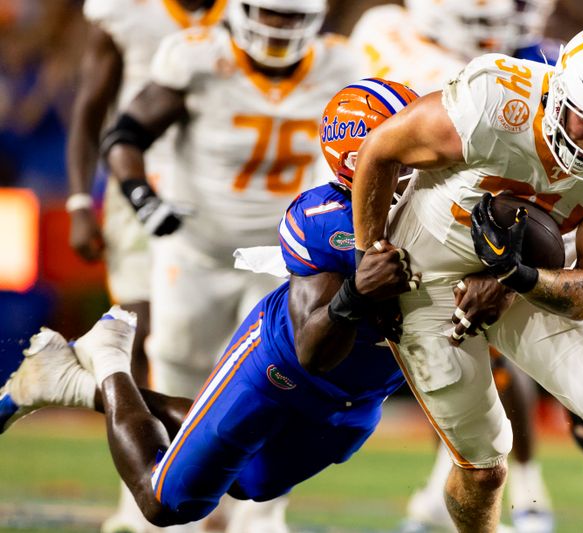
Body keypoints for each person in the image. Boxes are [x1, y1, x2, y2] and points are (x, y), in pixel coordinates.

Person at [0, 79, 423, 528]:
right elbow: (313, 354)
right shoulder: (323, 220)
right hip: (278, 371)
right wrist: (356, 293)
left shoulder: (443, 204)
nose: (426, 159)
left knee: (249, 483)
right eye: (406, 150)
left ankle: (70, 384)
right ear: (361, 163)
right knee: (167, 503)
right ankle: (108, 363)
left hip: (356, 397)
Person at [349, 23, 583, 533]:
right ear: (558, 92)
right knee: (483, 470)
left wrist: (515, 277)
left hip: (525, 275)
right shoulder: (493, 100)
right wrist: (372, 254)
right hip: (424, 275)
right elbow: (380, 150)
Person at [98, 0, 361, 530]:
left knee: (283, 382)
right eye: (270, 11)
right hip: (198, 247)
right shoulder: (196, 57)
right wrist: (141, 195)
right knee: (177, 364)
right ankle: (146, 491)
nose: (280, 25)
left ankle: (259, 516)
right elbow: (125, 136)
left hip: (286, 256)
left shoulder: (342, 65)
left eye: (292, 14)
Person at [350, 2, 558, 531]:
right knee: (438, 360)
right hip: (396, 213)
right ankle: (442, 492)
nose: (495, 25)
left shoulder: (533, 61)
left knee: (497, 357)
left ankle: (527, 493)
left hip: (481, 218)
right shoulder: (390, 37)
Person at [67, 2, 226, 531]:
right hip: (136, 192)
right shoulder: (125, 11)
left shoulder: (256, 14)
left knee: (209, 346)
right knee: (139, 334)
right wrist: (77, 202)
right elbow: (92, 107)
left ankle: (202, 487)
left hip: (214, 198)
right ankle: (136, 488)